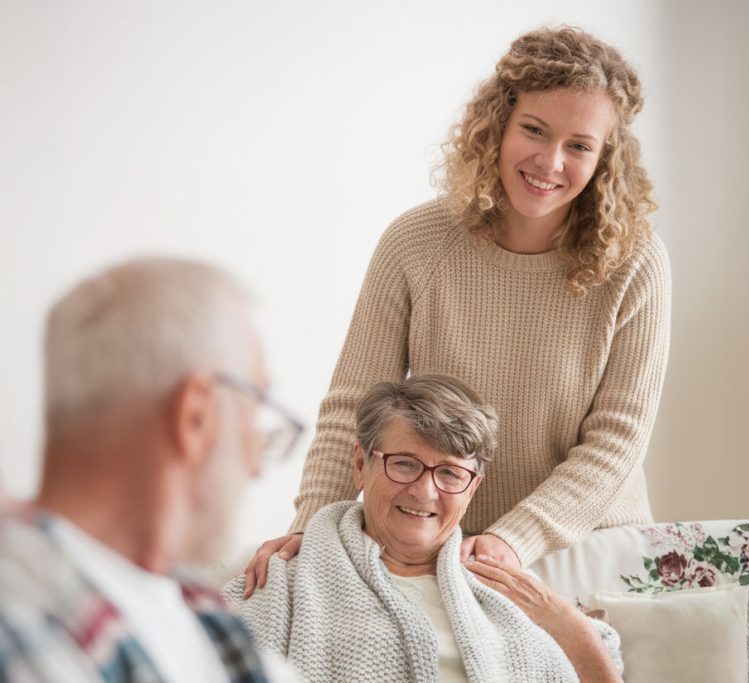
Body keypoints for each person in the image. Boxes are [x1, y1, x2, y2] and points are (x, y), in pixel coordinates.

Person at [245, 25, 670, 594]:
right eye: (534, 130)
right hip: (440, 542)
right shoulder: (415, 243)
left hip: (587, 549)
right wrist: (312, 529)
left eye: (579, 145)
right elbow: (353, 405)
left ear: (605, 157)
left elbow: (618, 440)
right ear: (497, 126)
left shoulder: (636, 261)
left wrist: (514, 540)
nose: (550, 161)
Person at [0, 257, 303, 683]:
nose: (255, 465)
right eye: (253, 416)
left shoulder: (203, 614)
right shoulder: (23, 630)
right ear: (196, 416)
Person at [225, 374, 623, 683]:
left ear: (472, 489)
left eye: (449, 473)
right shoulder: (283, 581)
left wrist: (572, 628)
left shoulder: (511, 594)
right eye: (403, 463)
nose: (424, 491)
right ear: (361, 466)